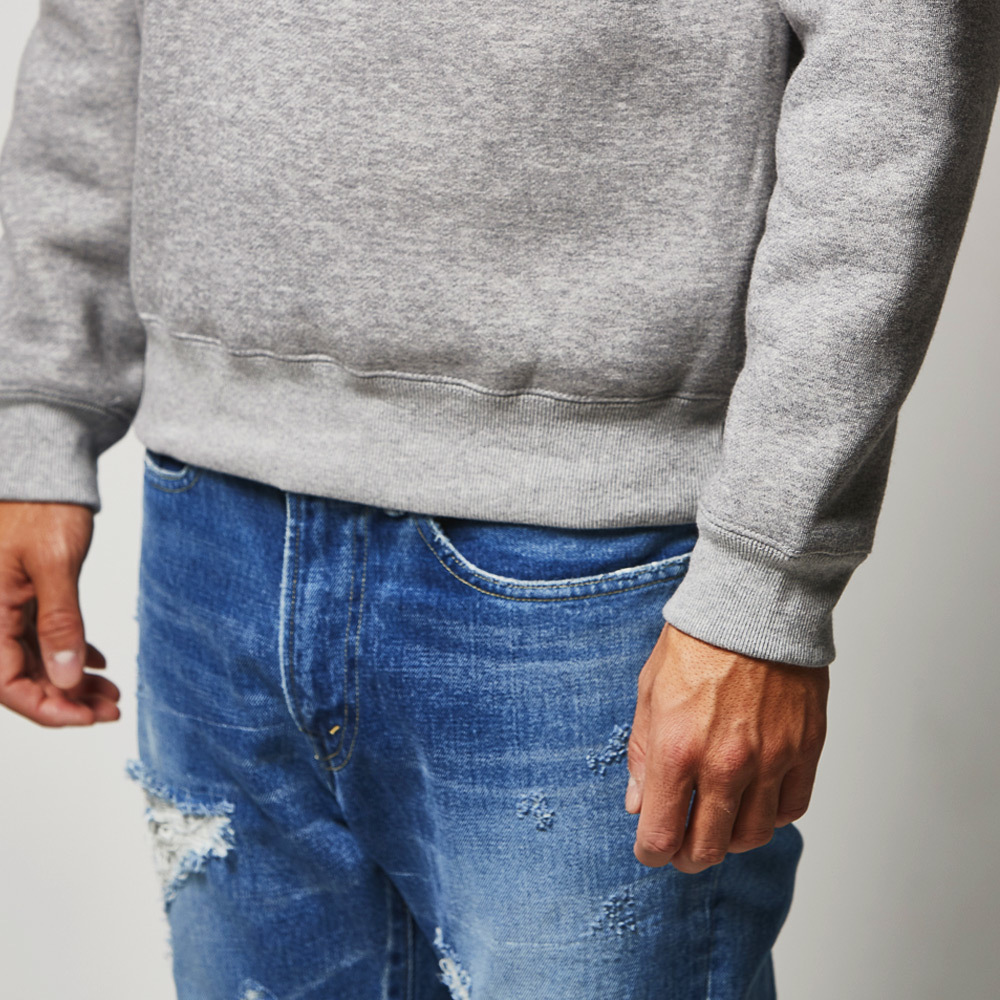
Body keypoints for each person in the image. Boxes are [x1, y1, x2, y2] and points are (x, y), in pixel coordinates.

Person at [0, 1, 997, 997]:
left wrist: (766, 579)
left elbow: (894, 66)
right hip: (212, 521)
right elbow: (94, 26)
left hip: (596, 564)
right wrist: (36, 416)